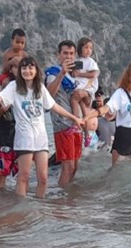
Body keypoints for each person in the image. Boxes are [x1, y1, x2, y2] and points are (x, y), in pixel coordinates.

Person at [0, 56, 81, 198]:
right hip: (24, 139)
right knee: (23, 176)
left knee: (43, 178)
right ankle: (21, 210)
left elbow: (54, 106)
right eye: (24, 68)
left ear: (36, 70)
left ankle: (38, 211)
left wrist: (74, 118)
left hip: (41, 140)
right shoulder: (14, 87)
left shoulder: (40, 88)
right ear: (20, 71)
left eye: (30, 67)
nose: (27, 71)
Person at [45, 40, 95, 188]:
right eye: (65, 53)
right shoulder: (53, 73)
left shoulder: (76, 76)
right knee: (67, 168)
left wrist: (85, 94)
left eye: (72, 53)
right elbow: (48, 95)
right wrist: (62, 73)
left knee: (75, 168)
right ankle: (62, 202)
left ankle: (69, 201)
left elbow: (86, 103)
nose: (69, 56)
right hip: (62, 125)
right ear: (59, 55)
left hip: (76, 124)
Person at [95, 61, 131, 166]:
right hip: (124, 133)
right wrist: (96, 112)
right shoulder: (120, 93)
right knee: (117, 171)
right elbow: (108, 108)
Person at [69, 36, 98, 122]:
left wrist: (80, 74)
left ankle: (76, 121)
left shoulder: (91, 61)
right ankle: (83, 126)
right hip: (79, 84)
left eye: (90, 48)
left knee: (74, 100)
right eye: (86, 47)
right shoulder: (76, 60)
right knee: (81, 104)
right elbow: (73, 72)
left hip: (87, 86)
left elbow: (94, 74)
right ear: (80, 48)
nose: (89, 50)